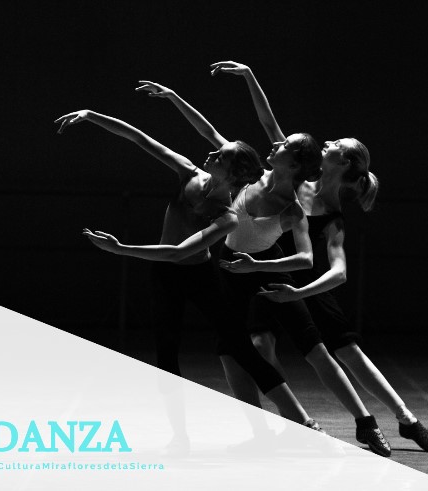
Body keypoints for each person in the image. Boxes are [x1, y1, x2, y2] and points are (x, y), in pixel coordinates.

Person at [54, 84, 328, 454]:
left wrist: (120, 249)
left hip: (199, 276)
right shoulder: (188, 172)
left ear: (231, 174)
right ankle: (179, 437)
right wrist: (91, 115)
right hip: (165, 277)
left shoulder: (227, 216)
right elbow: (139, 138)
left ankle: (304, 424)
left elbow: (179, 252)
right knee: (166, 354)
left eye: (220, 156)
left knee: (241, 347)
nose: (210, 153)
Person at [211, 60, 428, 454]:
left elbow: (338, 272)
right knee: (259, 342)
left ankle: (405, 420)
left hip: (306, 281)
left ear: (345, 162)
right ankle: (289, 423)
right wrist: (249, 76)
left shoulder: (333, 216)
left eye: (336, 144)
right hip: (272, 270)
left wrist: (302, 292)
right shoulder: (296, 179)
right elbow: (269, 123)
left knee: (344, 350)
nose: (328, 141)